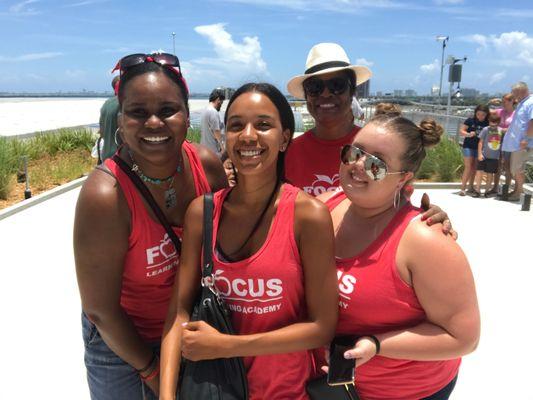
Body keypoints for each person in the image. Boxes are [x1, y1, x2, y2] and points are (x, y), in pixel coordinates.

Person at [159, 83, 339, 400]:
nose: (248, 136)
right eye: (237, 125)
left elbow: (322, 326)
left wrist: (228, 347)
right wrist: (166, 395)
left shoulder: (308, 216)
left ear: (285, 138)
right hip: (212, 390)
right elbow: (178, 313)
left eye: (264, 125)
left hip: (286, 391)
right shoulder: (202, 213)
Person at [74, 52, 227, 400]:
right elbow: (101, 310)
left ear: (187, 116)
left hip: (190, 331)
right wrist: (157, 375)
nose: (154, 123)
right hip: (122, 343)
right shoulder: (105, 195)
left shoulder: (206, 165)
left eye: (167, 110)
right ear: (121, 120)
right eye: (138, 113)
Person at [318, 114, 480, 400]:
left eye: (375, 164)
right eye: (353, 152)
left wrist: (377, 345)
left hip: (406, 392)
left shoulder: (425, 240)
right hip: (331, 386)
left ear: (404, 178)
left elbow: (463, 338)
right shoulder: (323, 207)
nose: (357, 166)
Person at [286, 42, 371, 195]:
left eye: (337, 85)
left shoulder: (374, 148)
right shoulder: (288, 154)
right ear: (306, 96)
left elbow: (397, 200)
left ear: (351, 93)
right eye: (315, 87)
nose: (325, 94)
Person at [501, 82, 533, 202]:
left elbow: (532, 122)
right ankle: (517, 190)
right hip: (517, 144)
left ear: (520, 92)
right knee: (514, 168)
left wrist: (526, 139)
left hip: (523, 143)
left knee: (517, 168)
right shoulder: (522, 103)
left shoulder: (530, 103)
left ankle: (519, 192)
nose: (514, 96)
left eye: (515, 94)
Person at [458, 104, 489, 196]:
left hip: (479, 148)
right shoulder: (470, 120)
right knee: (468, 166)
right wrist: (468, 134)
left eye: (483, 115)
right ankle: (463, 188)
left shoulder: (487, 123)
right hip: (468, 146)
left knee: (475, 168)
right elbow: (461, 131)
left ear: (486, 114)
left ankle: (471, 186)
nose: (480, 116)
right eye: (478, 114)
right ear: (475, 113)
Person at [473, 113, 503, 197]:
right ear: (489, 121)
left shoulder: (501, 131)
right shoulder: (486, 129)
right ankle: (477, 190)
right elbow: (480, 142)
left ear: (498, 123)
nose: (492, 126)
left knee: (490, 174)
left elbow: (501, 144)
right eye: (491, 124)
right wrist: (479, 154)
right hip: (484, 155)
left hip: (494, 157)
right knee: (479, 173)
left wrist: (502, 156)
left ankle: (487, 191)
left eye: (495, 124)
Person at [491, 93, 516, 193]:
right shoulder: (499, 111)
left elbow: (515, 128)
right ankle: (495, 187)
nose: (503, 104)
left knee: (507, 166)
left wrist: (502, 129)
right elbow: (484, 112)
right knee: (497, 165)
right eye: (502, 102)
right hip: (497, 141)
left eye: (505, 102)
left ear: (511, 101)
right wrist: (490, 102)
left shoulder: (516, 113)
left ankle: (506, 188)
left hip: (509, 142)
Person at [98, 75, 121, 162]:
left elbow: (102, 133)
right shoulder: (125, 103)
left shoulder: (106, 103)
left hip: (106, 157)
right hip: (121, 158)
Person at [200, 88, 226, 157]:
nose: (221, 105)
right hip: (213, 152)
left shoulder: (204, 110)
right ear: (218, 100)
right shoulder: (213, 112)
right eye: (222, 102)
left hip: (204, 150)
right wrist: (222, 148)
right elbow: (216, 132)